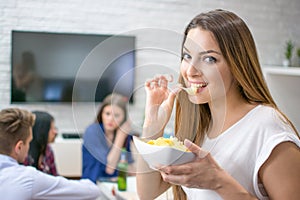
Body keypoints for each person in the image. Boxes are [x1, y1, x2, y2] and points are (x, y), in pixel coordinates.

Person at [136, 9, 300, 200]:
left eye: (209, 59)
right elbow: (147, 194)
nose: (190, 71)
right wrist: (152, 127)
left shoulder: (267, 126)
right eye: (187, 56)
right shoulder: (198, 128)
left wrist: (219, 182)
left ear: (237, 65)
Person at [0, 108, 100, 200]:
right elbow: (92, 191)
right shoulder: (27, 177)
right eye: (29, 142)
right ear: (19, 147)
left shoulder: (47, 152)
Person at [82, 93, 135, 183]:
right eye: (107, 114)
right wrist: (121, 136)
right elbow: (110, 168)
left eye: (116, 115)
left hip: (113, 185)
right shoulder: (93, 131)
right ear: (101, 113)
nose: (110, 119)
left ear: (124, 118)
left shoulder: (125, 136)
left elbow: (131, 169)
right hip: (92, 185)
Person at [23, 111, 58, 176]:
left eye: (55, 128)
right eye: (51, 128)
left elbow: (55, 176)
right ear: (41, 130)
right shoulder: (24, 155)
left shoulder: (48, 150)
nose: (55, 132)